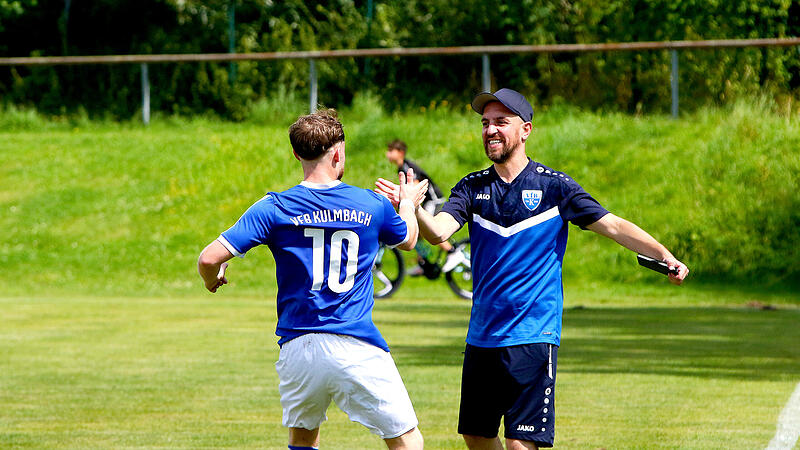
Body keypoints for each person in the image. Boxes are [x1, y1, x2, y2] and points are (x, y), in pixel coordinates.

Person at [376, 88, 688, 450]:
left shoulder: (554, 187)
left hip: (533, 336)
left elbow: (614, 226)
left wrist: (665, 255)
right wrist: (412, 208)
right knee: (476, 437)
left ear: (525, 130)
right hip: (482, 337)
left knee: (520, 444)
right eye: (485, 123)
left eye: (500, 122)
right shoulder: (472, 187)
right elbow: (439, 232)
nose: (490, 130)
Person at [198, 109, 427, 450]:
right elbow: (408, 240)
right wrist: (407, 203)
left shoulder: (274, 207)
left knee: (304, 439)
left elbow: (208, 258)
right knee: (407, 441)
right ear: (338, 153)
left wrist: (211, 279)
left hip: (298, 347)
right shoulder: (371, 204)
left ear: (296, 154)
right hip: (354, 342)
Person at [384, 139, 466, 275]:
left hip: (432, 200)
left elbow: (414, 187)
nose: (387, 154)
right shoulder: (401, 167)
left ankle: (452, 253)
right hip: (424, 202)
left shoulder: (407, 167)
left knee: (428, 227)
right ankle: (423, 262)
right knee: (418, 233)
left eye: (390, 151)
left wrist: (407, 206)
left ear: (400, 152)